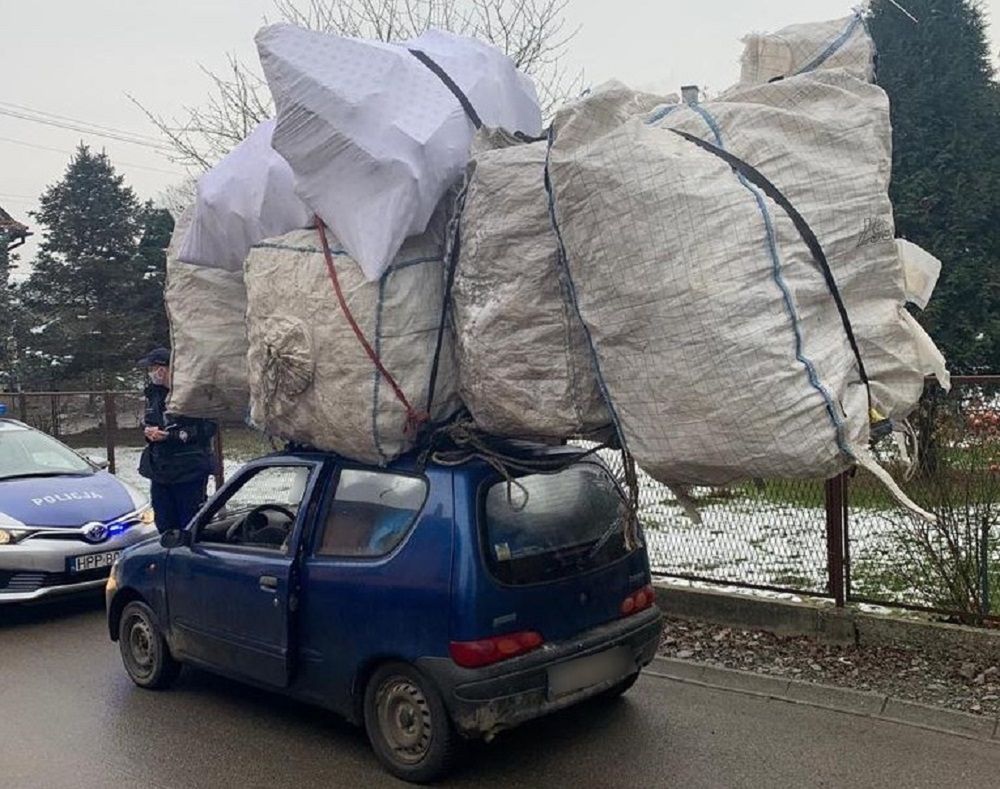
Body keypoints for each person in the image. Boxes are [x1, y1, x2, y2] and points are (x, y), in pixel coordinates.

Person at [137, 347, 218, 533]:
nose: (151, 373)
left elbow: (207, 428)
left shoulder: (192, 394)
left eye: (154, 367)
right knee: (164, 522)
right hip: (160, 470)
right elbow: (148, 421)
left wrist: (172, 436)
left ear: (165, 368)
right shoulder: (153, 394)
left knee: (189, 523)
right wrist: (149, 432)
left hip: (189, 469)